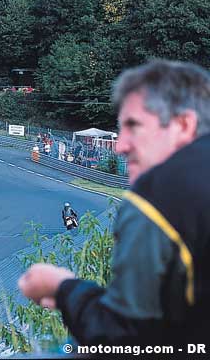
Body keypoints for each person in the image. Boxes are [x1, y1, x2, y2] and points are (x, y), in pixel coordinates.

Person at [18, 59, 210, 345]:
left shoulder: (158, 195)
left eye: (134, 126)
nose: (120, 146)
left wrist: (62, 288)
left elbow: (120, 336)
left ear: (183, 124)